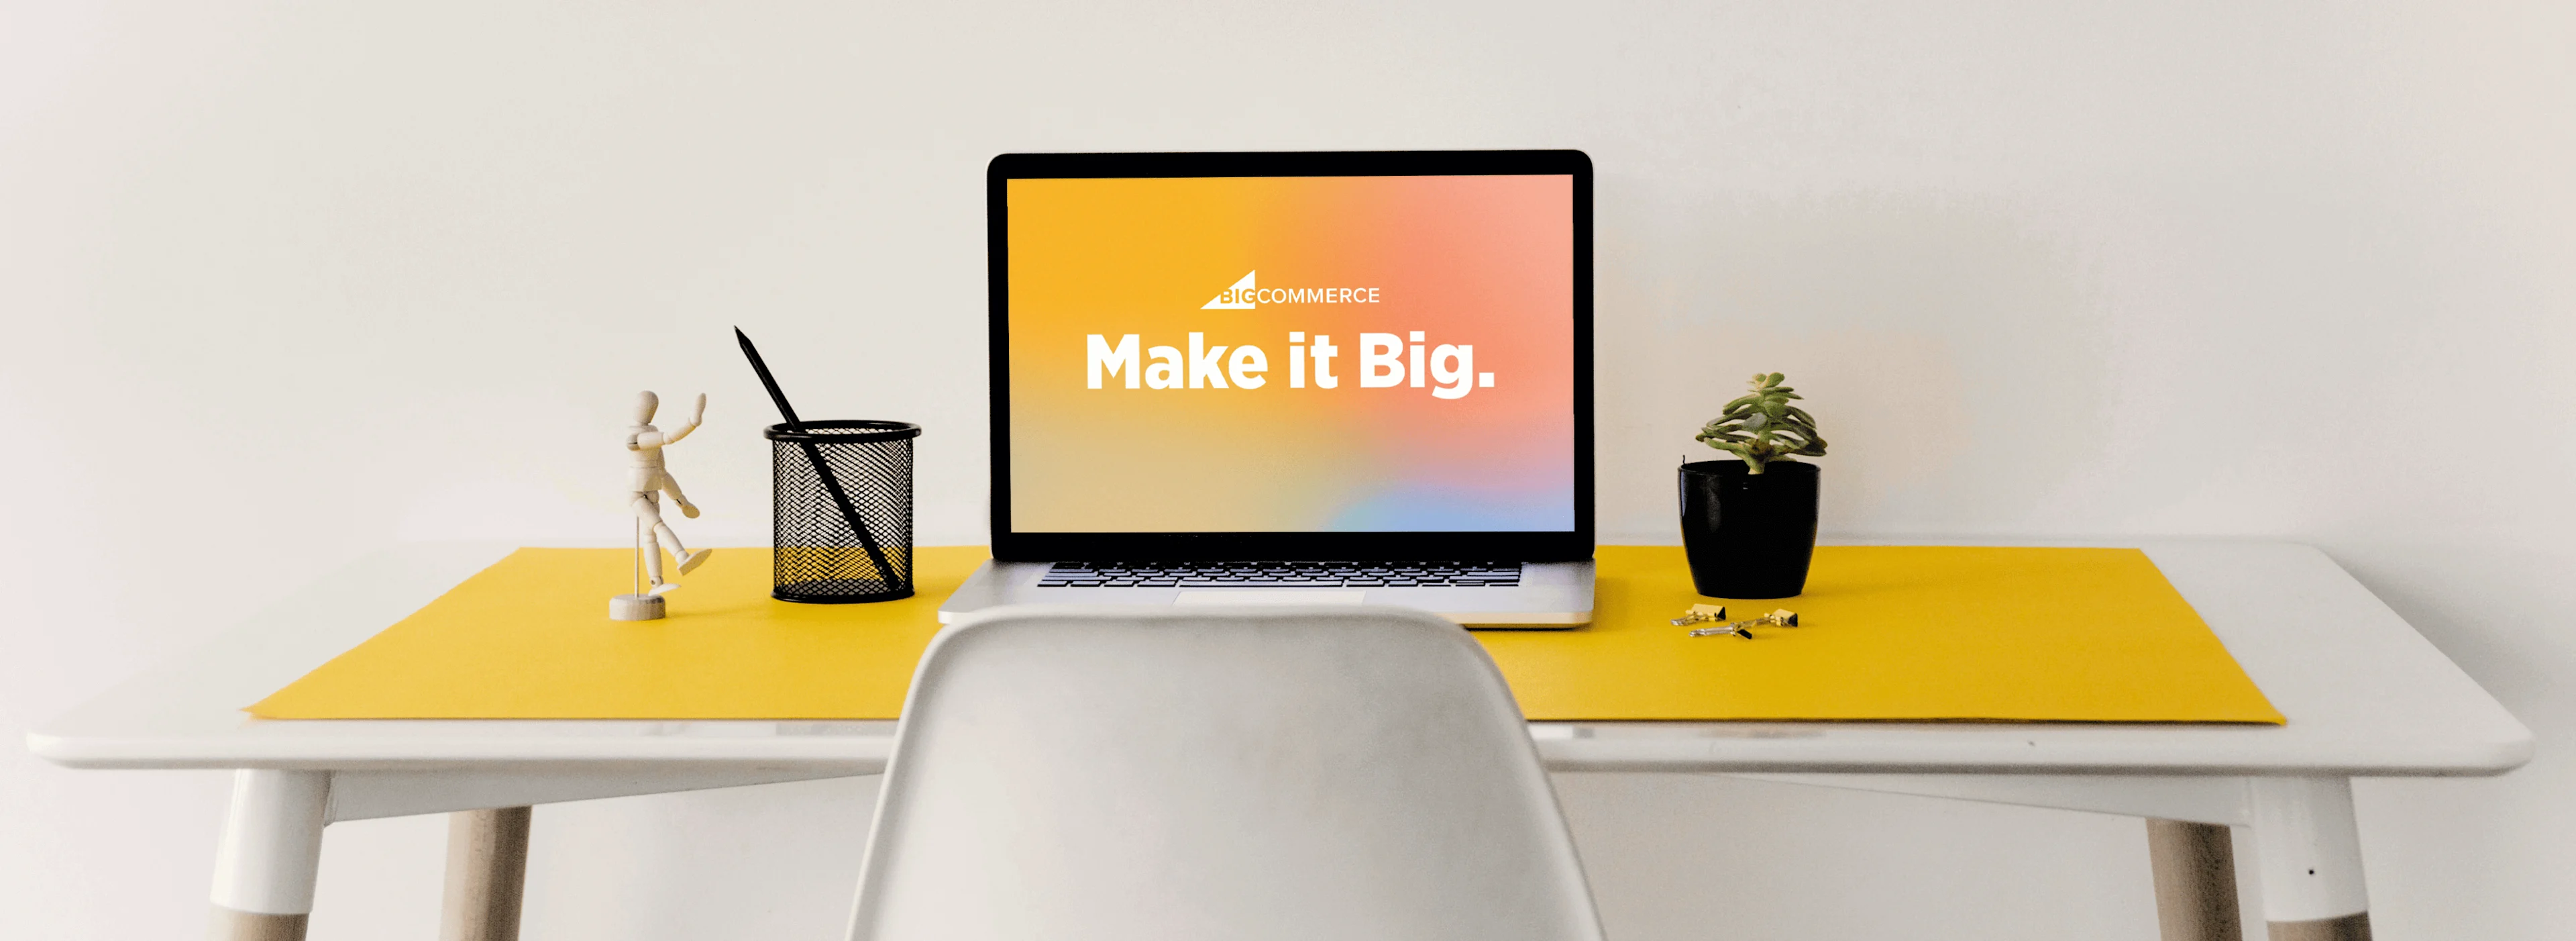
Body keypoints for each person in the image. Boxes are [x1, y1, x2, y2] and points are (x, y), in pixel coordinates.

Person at [627, 391, 712, 591]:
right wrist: (691, 423)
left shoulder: (651, 438)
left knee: (650, 537)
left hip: (653, 491)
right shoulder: (634, 438)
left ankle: (656, 582)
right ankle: (681, 556)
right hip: (637, 495)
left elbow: (663, 474)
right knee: (658, 526)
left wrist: (681, 501)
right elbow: (668, 438)